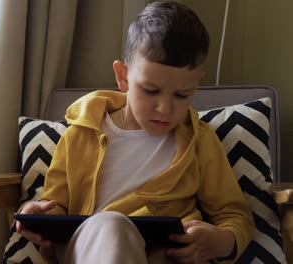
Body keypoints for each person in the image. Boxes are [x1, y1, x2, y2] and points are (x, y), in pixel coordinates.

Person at [16, 1, 254, 263]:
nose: (164, 109)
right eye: (150, 91)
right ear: (123, 76)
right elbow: (55, 206)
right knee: (111, 226)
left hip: (165, 254)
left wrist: (222, 242)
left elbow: (234, 215)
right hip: (89, 247)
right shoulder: (80, 134)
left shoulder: (199, 140)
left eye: (182, 95)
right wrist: (37, 215)